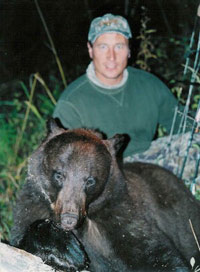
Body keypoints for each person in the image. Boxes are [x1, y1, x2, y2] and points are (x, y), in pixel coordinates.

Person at [53, 13, 200, 185]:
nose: (111, 56)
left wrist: (196, 124)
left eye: (119, 46)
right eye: (103, 47)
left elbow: (181, 125)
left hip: (149, 161)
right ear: (90, 49)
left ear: (129, 50)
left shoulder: (148, 83)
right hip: (107, 178)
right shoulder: (71, 103)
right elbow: (61, 166)